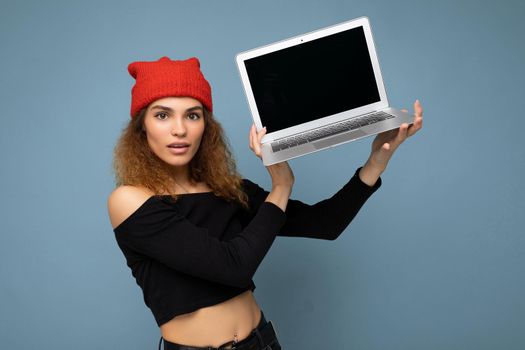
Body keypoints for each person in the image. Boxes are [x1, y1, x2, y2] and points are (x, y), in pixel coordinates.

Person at [107, 56, 423, 350]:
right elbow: (232, 267)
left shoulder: (227, 189)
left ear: (207, 126)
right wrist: (281, 185)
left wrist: (377, 160)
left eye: (193, 115)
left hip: (262, 341)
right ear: (142, 127)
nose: (180, 129)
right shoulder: (130, 200)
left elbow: (325, 224)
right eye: (162, 115)